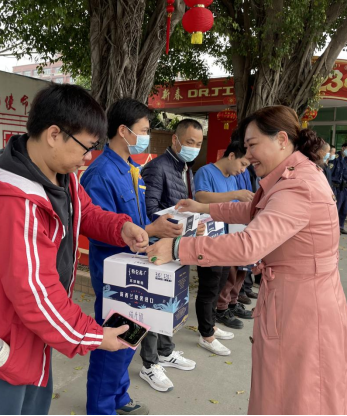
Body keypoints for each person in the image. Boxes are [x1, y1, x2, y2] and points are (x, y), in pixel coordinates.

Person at [0, 84, 150, 416]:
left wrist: (120, 227)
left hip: (33, 330)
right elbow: (35, 292)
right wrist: (94, 336)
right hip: (0, 334)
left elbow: (86, 212)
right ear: (54, 134)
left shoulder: (61, 177)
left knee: (34, 403)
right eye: (85, 147)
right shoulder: (14, 204)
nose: (88, 158)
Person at [147, 105, 347, 415]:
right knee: (283, 389)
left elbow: (249, 244)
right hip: (295, 297)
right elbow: (252, 210)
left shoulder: (299, 184)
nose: (248, 155)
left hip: (303, 307)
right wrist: (204, 208)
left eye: (253, 145)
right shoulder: (291, 175)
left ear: (281, 139)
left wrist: (178, 248)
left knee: (300, 395)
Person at [81, 98, 184, 412]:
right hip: (114, 274)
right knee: (114, 341)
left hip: (135, 269)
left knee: (130, 339)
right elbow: (98, 227)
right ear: (123, 131)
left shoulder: (131, 169)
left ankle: (119, 397)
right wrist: (151, 229)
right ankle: (101, 408)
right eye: (144, 129)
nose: (147, 136)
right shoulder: (100, 173)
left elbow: (138, 220)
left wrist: (159, 226)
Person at [139, 119, 206, 392]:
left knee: (170, 304)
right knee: (153, 306)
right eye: (190, 142)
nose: (194, 148)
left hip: (178, 245)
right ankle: (149, 364)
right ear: (175, 140)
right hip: (158, 247)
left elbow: (185, 206)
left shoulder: (186, 168)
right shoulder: (157, 168)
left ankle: (166, 352)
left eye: (198, 144)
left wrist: (194, 223)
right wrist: (183, 222)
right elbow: (149, 210)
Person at [193, 140, 252, 355]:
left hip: (226, 240)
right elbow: (201, 197)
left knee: (220, 283)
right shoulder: (206, 172)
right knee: (208, 287)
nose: (243, 170)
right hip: (208, 240)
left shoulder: (232, 178)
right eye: (243, 164)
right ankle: (206, 335)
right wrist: (235, 195)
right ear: (232, 156)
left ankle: (211, 326)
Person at [331, 142, 347, 235]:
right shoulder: (336, 158)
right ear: (343, 148)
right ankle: (333, 228)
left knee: (345, 209)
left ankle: (341, 227)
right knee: (336, 208)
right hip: (338, 187)